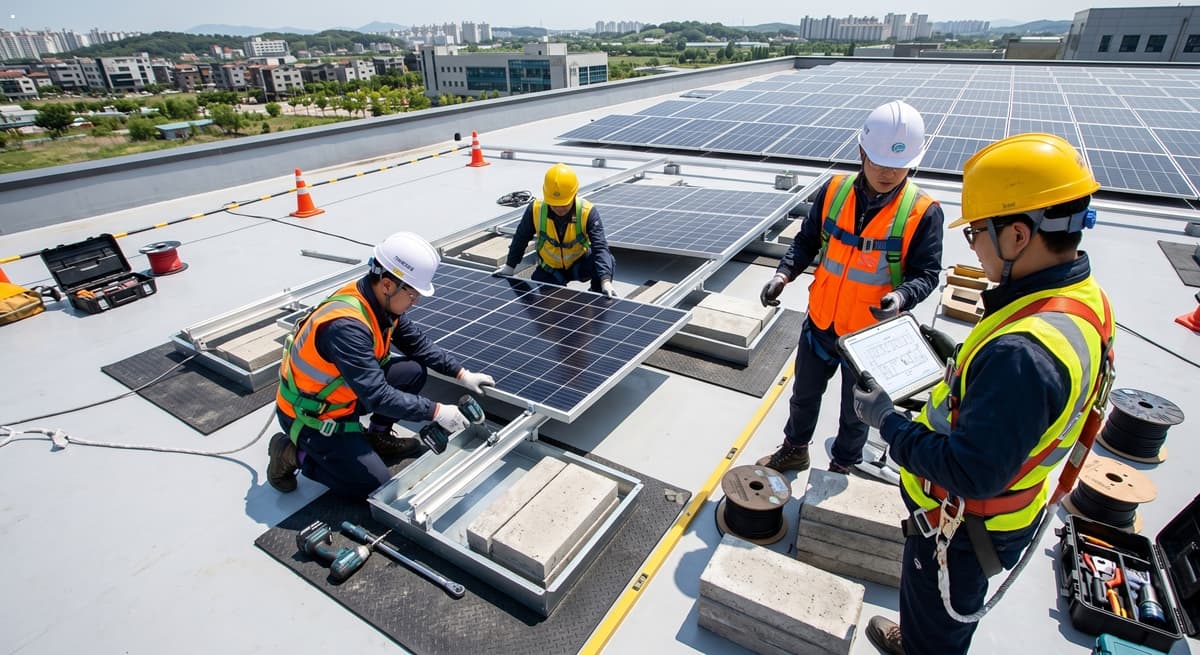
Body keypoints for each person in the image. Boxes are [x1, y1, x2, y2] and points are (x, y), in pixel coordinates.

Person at [852, 133, 1115, 655]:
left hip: (963, 527)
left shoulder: (1021, 353)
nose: (970, 245)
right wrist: (958, 360)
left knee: (938, 626)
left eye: (976, 232)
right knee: (941, 612)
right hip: (1001, 514)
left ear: (1018, 235)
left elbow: (971, 471)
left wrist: (887, 422)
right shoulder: (1084, 301)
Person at [756, 100, 944, 475]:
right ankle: (795, 449)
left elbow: (927, 273)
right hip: (821, 323)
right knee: (803, 397)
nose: (889, 172)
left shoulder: (923, 211)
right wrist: (783, 275)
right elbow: (807, 240)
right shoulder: (835, 191)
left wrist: (901, 296)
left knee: (857, 412)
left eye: (898, 165)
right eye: (879, 162)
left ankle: (843, 465)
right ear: (862, 152)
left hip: (869, 336)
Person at [268, 232, 495, 499]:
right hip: (313, 416)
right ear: (387, 285)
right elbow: (377, 396)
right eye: (412, 294)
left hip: (346, 397)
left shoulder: (380, 304)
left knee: (412, 371)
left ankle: (378, 436)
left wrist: (461, 373)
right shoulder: (346, 327)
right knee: (372, 485)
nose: (416, 301)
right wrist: (435, 411)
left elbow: (417, 344)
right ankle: (289, 452)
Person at [498, 163, 618, 297]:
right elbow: (521, 238)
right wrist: (510, 267)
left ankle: (596, 294)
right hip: (550, 270)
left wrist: (605, 281)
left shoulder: (587, 212)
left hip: (578, 265)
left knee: (608, 261)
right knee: (553, 309)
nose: (559, 208)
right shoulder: (536, 209)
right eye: (554, 204)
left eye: (564, 204)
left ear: (574, 194)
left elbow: (600, 248)